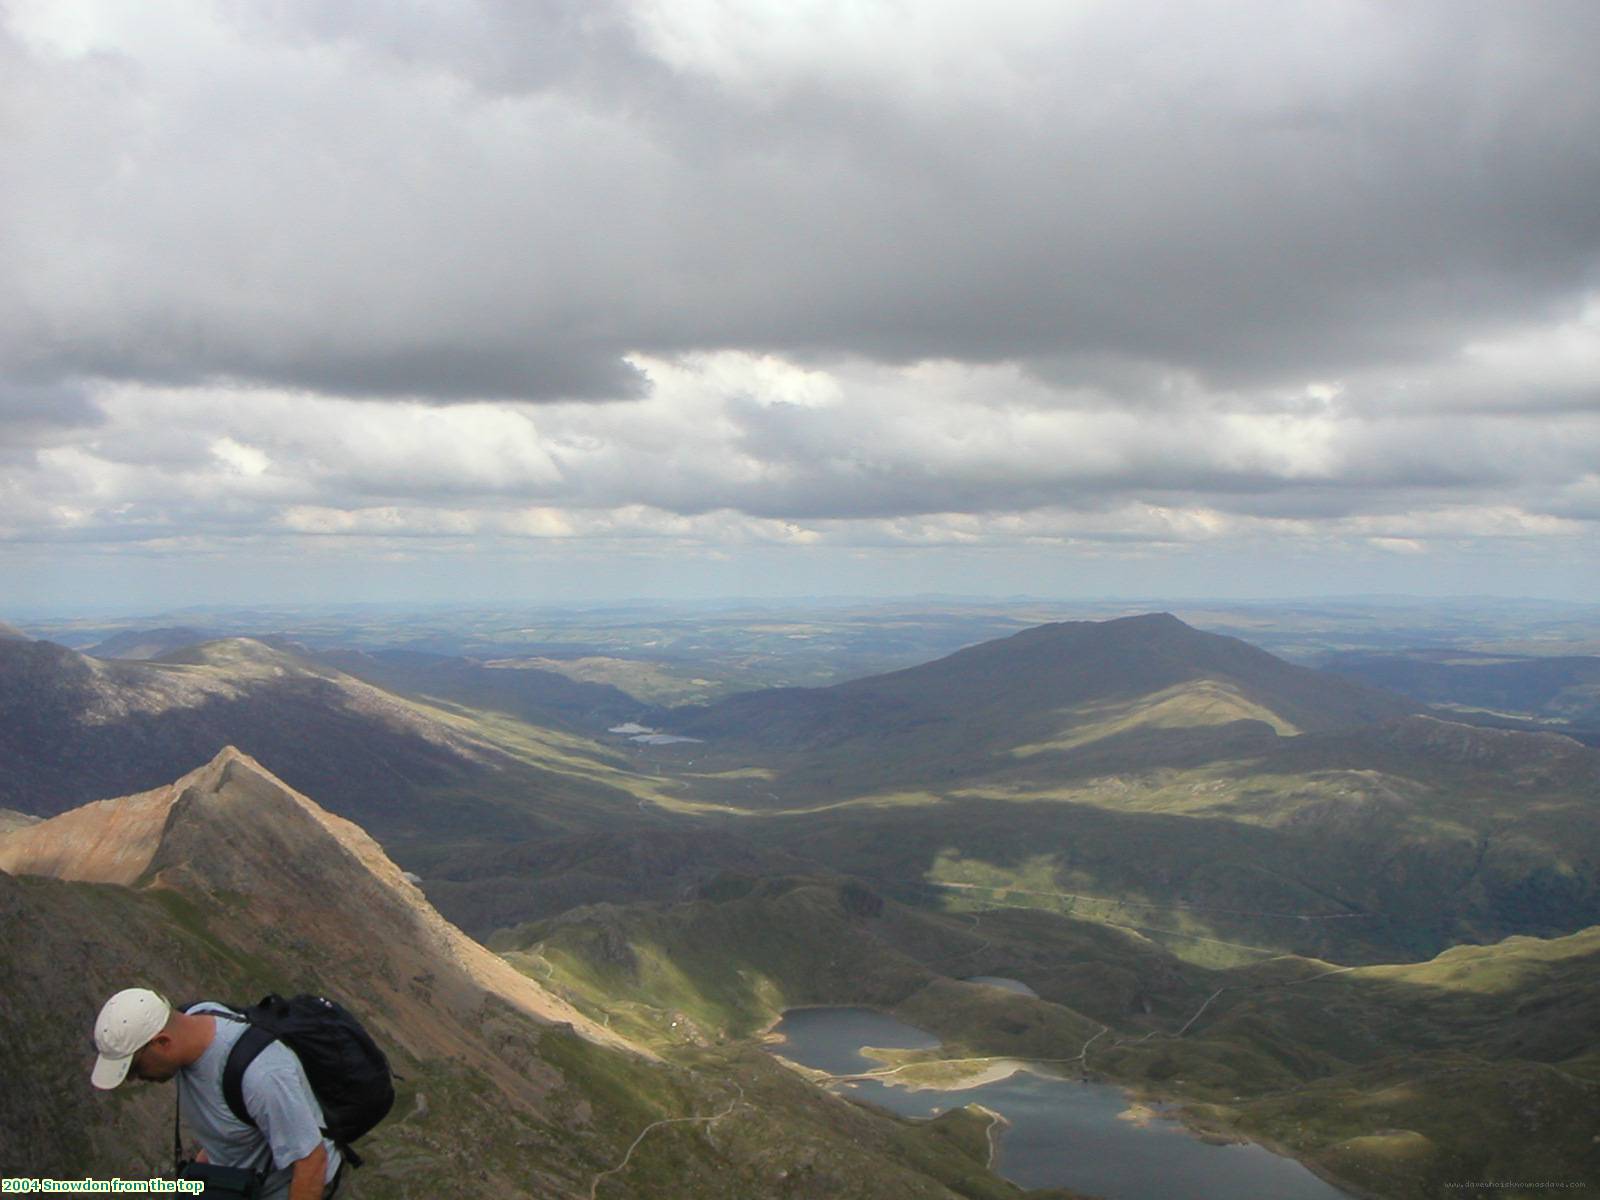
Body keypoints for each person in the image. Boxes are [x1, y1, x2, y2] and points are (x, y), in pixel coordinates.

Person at [91, 987, 343, 1200]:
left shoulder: (264, 1076)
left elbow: (312, 1163)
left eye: (135, 1067)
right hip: (236, 1184)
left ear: (163, 1043)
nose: (135, 1078)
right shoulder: (192, 1021)